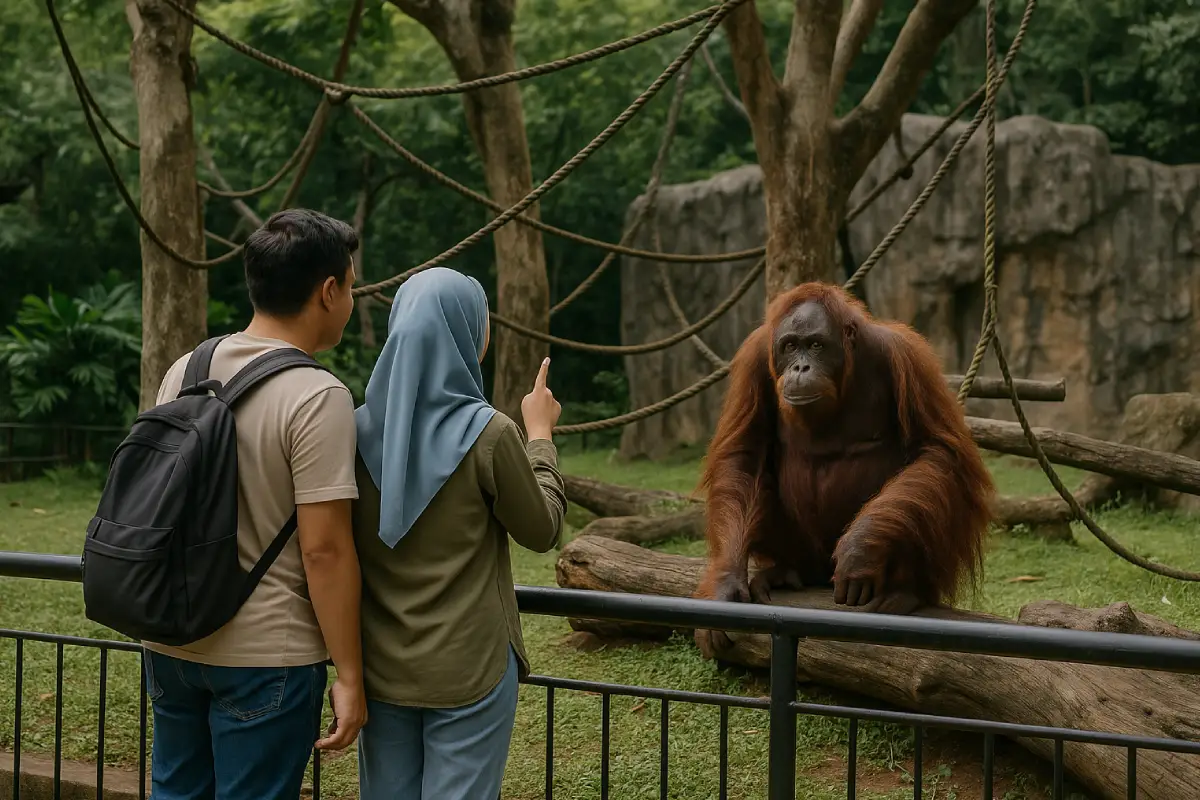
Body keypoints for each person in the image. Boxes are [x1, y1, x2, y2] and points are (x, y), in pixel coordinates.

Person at [142, 208, 368, 799]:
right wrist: (349, 674)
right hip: (267, 655)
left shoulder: (185, 369)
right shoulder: (318, 395)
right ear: (328, 291)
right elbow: (324, 551)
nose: (352, 300)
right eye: (351, 286)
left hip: (171, 639)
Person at [351, 267, 567, 800]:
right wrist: (539, 436)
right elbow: (542, 531)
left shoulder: (350, 428)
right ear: (466, 331)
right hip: (472, 668)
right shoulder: (490, 433)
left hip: (380, 669)